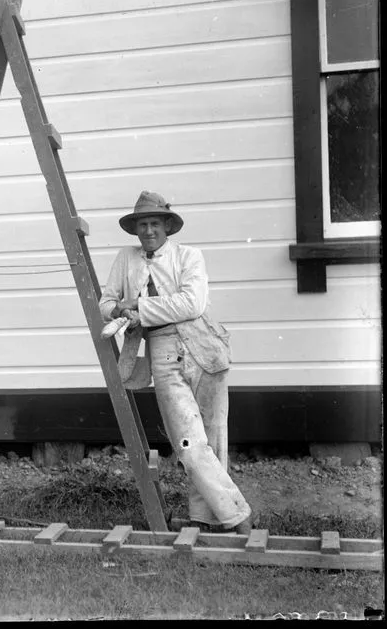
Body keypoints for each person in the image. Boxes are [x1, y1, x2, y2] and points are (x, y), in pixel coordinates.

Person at [98, 191, 254, 535]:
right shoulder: (126, 258)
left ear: (167, 225)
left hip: (202, 343)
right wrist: (119, 309)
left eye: (155, 223)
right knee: (187, 441)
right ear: (135, 228)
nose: (149, 230)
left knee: (213, 437)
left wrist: (139, 309)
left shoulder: (189, 256)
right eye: (142, 224)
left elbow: (192, 304)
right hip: (162, 348)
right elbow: (105, 302)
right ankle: (238, 515)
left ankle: (206, 518)